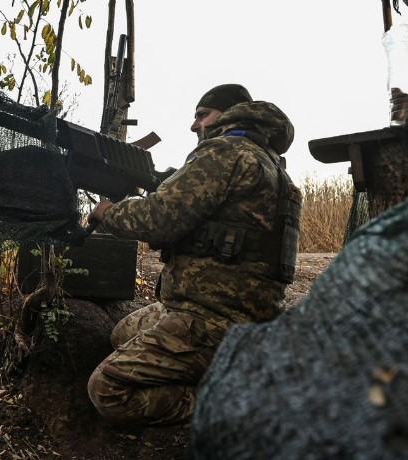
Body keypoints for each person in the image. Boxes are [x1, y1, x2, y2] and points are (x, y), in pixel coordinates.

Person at [85, 83, 302, 426]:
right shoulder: (272, 166)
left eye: (203, 115)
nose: (194, 125)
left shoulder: (226, 152)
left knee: (107, 388)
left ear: (230, 113)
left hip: (214, 320)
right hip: (238, 315)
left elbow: (159, 219)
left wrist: (108, 213)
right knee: (122, 334)